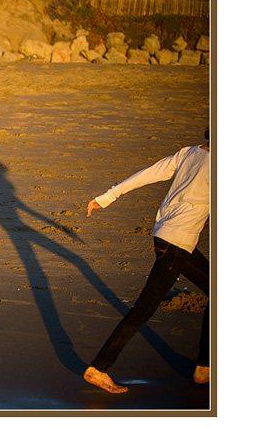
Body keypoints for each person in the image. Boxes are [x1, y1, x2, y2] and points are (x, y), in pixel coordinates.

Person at [83, 128, 210, 393]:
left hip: (164, 237)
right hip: (178, 244)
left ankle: (205, 367)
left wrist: (107, 197)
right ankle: (99, 367)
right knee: (144, 308)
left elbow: (146, 175)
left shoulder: (189, 153)